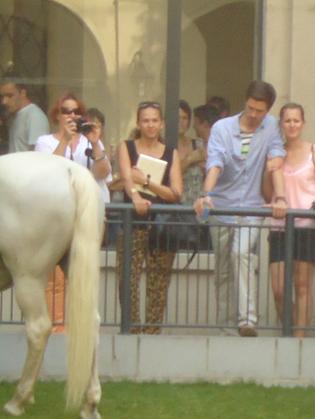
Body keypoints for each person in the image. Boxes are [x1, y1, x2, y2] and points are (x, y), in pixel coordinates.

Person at [194, 80, 287, 336]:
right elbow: (215, 162)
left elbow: (276, 161)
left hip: (252, 207)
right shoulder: (222, 128)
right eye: (250, 108)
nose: (254, 114)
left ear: (268, 110)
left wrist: (280, 197)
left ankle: (247, 320)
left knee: (241, 253)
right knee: (223, 270)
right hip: (221, 206)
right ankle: (225, 327)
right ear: (244, 102)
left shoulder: (272, 127)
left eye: (260, 111)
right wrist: (206, 194)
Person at [35, 92, 113, 332]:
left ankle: (79, 326)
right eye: (66, 111)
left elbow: (103, 173)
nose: (72, 115)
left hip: (85, 216)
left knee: (81, 273)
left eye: (76, 111)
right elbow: (47, 172)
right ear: (57, 116)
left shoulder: (90, 142)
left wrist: (95, 143)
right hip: (56, 217)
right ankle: (55, 325)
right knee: (54, 277)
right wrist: (66, 140)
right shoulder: (45, 141)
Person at [267, 103, 315, 337]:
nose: (292, 125)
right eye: (287, 121)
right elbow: (266, 192)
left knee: (302, 285)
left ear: (303, 123)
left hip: (309, 225)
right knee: (279, 289)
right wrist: (268, 171)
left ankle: (299, 340)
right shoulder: (274, 153)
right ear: (281, 124)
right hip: (280, 226)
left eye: (296, 120)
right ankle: (289, 332)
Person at [116, 100, 184, 334]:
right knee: (127, 280)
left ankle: (152, 333)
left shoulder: (171, 153)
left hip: (161, 226)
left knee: (158, 284)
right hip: (132, 223)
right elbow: (127, 179)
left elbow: (176, 192)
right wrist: (135, 196)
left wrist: (146, 182)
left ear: (162, 123)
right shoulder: (127, 147)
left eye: (155, 120)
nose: (151, 125)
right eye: (146, 120)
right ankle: (132, 330)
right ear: (138, 123)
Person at [0, 79, 49, 152]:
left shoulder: (35, 116)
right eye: (2, 97)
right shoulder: (13, 115)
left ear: (23, 93)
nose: (4, 102)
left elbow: (38, 153)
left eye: (10, 96)